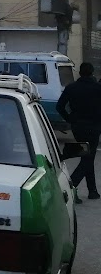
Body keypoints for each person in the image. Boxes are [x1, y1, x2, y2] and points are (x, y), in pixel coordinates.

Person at [57, 62, 101, 203]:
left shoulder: (71, 88)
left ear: (80, 73)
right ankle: (71, 186)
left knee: (87, 156)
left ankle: (92, 191)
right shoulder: (98, 88)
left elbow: (59, 107)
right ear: (92, 72)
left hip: (78, 127)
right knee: (88, 157)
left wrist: (70, 119)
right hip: (94, 127)